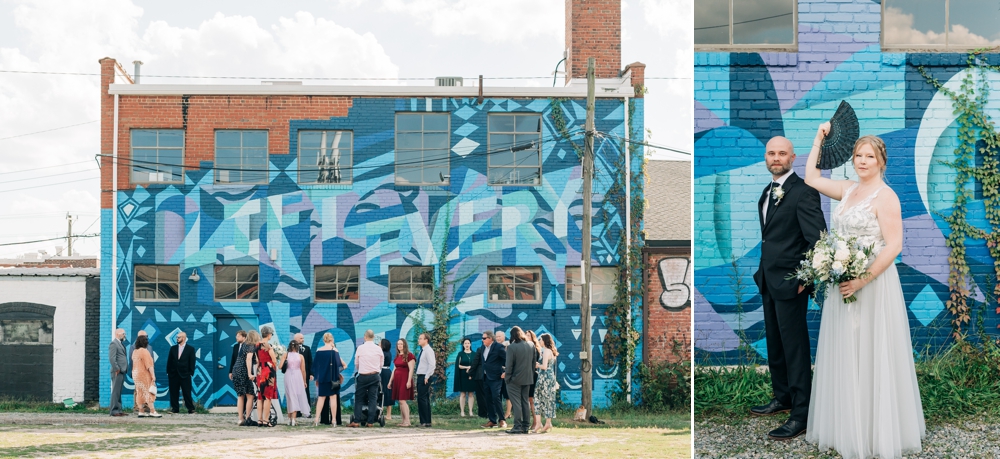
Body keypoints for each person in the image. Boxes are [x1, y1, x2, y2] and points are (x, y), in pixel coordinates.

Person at [803, 125, 925, 457]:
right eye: (858, 155)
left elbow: (894, 245)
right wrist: (818, 139)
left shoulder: (886, 197)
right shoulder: (846, 189)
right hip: (843, 282)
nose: (862, 161)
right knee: (846, 350)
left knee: (872, 350)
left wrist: (861, 280)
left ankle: (875, 431)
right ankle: (847, 425)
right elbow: (811, 178)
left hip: (871, 285)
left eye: (869, 156)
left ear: (881, 161)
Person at [749, 135, 826, 441]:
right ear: (766, 157)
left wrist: (804, 280)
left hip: (791, 283)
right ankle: (783, 397)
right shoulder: (767, 192)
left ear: (793, 157)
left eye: (782, 153)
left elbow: (818, 240)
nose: (776, 157)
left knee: (794, 349)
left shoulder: (803, 192)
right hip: (768, 280)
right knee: (775, 345)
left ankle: (801, 414)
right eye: (771, 153)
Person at [349, 330, 383, 427]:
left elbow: (356, 363)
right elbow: (381, 363)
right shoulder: (378, 349)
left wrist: (361, 370)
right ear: (373, 337)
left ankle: (356, 421)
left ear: (365, 337)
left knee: (359, 398)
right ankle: (370, 422)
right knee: (373, 398)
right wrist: (376, 370)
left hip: (363, 376)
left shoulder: (360, 348)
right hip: (375, 376)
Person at [504, 326, 534, 434]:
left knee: (516, 403)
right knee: (525, 402)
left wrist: (507, 378)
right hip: (528, 378)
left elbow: (509, 365)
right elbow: (533, 363)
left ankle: (517, 426)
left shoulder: (511, 347)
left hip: (514, 380)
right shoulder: (531, 345)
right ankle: (525, 426)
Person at [313, 332, 345, 428]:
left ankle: (316, 419)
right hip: (333, 378)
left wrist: (317, 378)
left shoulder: (319, 351)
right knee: (333, 398)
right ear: (332, 340)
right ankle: (334, 420)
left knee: (321, 398)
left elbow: (315, 366)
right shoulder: (334, 350)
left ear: (323, 340)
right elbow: (340, 364)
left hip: (322, 378)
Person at [477, 330, 507, 429]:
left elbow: (507, 360)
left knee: (496, 397)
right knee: (488, 399)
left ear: (490, 338)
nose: (482, 340)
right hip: (486, 377)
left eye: (484, 338)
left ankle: (502, 420)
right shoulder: (482, 347)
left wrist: (506, 372)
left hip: (496, 377)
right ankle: (492, 420)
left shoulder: (498, 347)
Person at [278, 341, 310, 425]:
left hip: (288, 375)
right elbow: (303, 370)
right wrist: (304, 381)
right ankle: (293, 420)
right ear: (297, 347)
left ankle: (289, 419)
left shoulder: (286, 355)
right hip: (298, 376)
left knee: (290, 397)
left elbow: (280, 366)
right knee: (295, 395)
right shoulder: (301, 356)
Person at [282, 333, 313, 419]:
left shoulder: (307, 349)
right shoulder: (289, 353)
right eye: (301, 338)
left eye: (303, 338)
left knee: (304, 393)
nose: (302, 339)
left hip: (302, 374)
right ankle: (297, 413)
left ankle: (306, 411)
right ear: (296, 339)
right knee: (293, 393)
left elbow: (310, 362)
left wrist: (311, 373)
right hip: (293, 374)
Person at [532, 333, 558, 433]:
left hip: (545, 378)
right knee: (541, 399)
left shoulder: (547, 351)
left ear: (545, 341)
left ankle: (546, 423)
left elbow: (544, 367)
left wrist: (537, 365)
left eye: (540, 339)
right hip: (545, 377)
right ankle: (541, 423)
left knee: (544, 399)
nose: (539, 341)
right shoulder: (548, 351)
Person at [131, 334, 162, 418]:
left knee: (139, 392)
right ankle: (152, 411)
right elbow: (149, 365)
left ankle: (141, 411)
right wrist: (153, 376)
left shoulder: (135, 351)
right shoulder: (144, 351)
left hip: (136, 374)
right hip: (143, 374)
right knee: (148, 392)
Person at [254, 326, 279, 427]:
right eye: (271, 334)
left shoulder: (256, 345)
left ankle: (259, 420)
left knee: (260, 397)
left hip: (260, 371)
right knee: (268, 397)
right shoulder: (268, 346)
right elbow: (273, 359)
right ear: (268, 334)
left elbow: (257, 360)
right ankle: (265, 420)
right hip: (268, 372)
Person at [166, 331, 196, 414]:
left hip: (185, 374)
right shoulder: (173, 348)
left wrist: (190, 373)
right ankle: (175, 409)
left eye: (178, 337)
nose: (177, 338)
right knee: (173, 392)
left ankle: (191, 409)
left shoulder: (190, 349)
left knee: (186, 392)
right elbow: (169, 361)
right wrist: (168, 372)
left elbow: (192, 361)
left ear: (183, 338)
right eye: (177, 337)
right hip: (173, 374)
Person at [389, 338, 416, 427]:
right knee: (400, 401)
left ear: (405, 345)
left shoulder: (409, 355)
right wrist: (390, 381)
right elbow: (394, 369)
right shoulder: (397, 356)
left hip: (404, 379)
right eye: (398, 344)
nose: (399, 345)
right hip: (397, 380)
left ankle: (407, 421)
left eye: (401, 344)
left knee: (402, 400)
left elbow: (411, 369)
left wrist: (409, 381)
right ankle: (403, 421)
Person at [413, 332, 436, 427]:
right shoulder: (423, 350)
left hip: (424, 377)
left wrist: (427, 376)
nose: (419, 340)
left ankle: (424, 421)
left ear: (426, 340)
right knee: (424, 398)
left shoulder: (428, 350)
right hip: (421, 376)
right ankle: (426, 421)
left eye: (420, 338)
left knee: (422, 398)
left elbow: (432, 365)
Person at [238, 330, 259, 426]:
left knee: (240, 395)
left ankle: (240, 419)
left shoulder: (244, 345)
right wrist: (250, 373)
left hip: (236, 371)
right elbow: (249, 359)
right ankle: (248, 418)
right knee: (250, 395)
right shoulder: (251, 346)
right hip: (244, 372)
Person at [229, 330, 250, 425]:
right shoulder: (235, 346)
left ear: (244, 337)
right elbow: (233, 359)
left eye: (238, 336)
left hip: (246, 372)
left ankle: (246, 415)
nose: (236, 338)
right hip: (237, 372)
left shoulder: (248, 346)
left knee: (247, 395)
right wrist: (230, 371)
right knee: (242, 394)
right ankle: (242, 416)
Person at [108, 328, 129, 417]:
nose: (125, 335)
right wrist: (117, 368)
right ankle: (114, 410)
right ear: (118, 334)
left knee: (119, 391)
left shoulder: (120, 344)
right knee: (116, 391)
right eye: (123, 333)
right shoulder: (114, 344)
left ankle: (119, 410)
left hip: (122, 370)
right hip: (117, 371)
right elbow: (112, 358)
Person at [453, 337, 476, 417]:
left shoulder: (474, 354)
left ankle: (470, 411)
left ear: (470, 344)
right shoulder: (460, 354)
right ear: (463, 345)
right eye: (465, 343)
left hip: (471, 376)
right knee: (463, 394)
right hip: (462, 375)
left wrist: (471, 368)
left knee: (471, 394)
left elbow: (476, 364)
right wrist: (467, 367)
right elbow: (458, 365)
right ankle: (462, 411)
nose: (467, 345)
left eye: (468, 343)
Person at [129, 330, 149, 415]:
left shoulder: (149, 347)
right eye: (144, 336)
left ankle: (146, 406)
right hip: (138, 372)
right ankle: (137, 407)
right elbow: (132, 360)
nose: (146, 337)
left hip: (147, 373)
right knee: (138, 390)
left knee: (147, 390)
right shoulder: (133, 348)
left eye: (146, 336)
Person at [524, 330, 540, 429]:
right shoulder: (525, 348)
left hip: (532, 375)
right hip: (526, 375)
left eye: (529, 335)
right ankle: (529, 421)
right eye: (526, 335)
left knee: (532, 400)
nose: (527, 337)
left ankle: (536, 422)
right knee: (527, 400)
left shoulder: (535, 349)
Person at [469, 339, 488, 418]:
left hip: (479, 375)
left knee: (480, 396)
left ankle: (482, 413)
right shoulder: (492, 350)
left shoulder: (480, 349)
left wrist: (470, 373)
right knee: (487, 395)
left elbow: (475, 362)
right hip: (489, 376)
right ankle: (489, 413)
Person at [496, 330, 512, 419]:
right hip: (498, 373)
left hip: (507, 373)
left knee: (507, 395)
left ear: (504, 337)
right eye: (496, 336)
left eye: (499, 336)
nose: (498, 338)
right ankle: (500, 413)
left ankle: (508, 413)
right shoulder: (495, 347)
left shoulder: (508, 346)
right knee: (498, 394)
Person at [379, 339, 394, 421]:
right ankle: (388, 414)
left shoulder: (382, 354)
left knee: (382, 391)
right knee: (388, 392)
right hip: (387, 372)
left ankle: (383, 413)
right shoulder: (389, 353)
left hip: (383, 372)